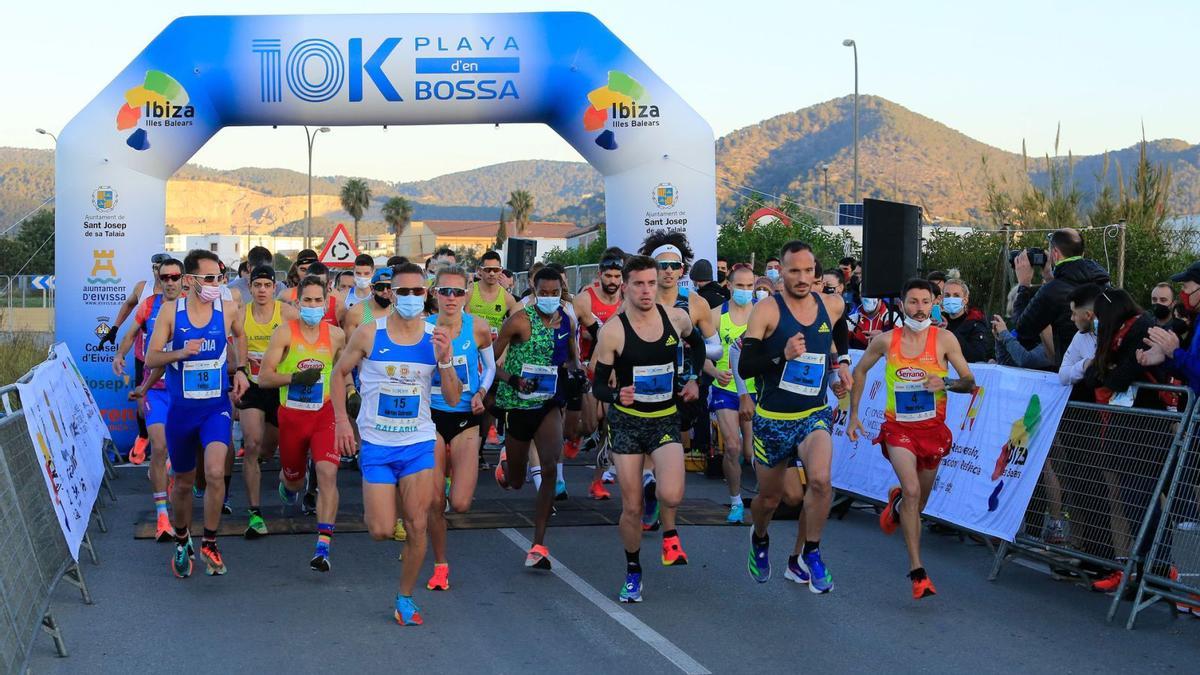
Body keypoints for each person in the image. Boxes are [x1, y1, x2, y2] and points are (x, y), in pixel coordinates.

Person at [332, 262, 460, 625]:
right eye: (402, 291)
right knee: (381, 530)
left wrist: (446, 361)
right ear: (390, 293)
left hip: (418, 442)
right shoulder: (370, 334)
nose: (409, 297)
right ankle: (385, 503)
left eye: (417, 291)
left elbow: (452, 398)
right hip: (376, 444)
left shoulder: (436, 337)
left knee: (418, 524)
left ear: (427, 294)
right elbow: (339, 375)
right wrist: (342, 420)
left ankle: (405, 597)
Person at [847, 278, 975, 600]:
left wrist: (944, 383)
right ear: (902, 304)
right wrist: (853, 414)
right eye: (913, 302)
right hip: (898, 429)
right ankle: (918, 572)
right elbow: (860, 371)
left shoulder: (945, 339)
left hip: (932, 431)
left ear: (934, 303)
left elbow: (969, 382)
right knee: (913, 488)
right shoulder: (886, 341)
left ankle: (899, 504)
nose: (919, 309)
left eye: (925, 302)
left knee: (919, 504)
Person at [590, 255, 705, 602]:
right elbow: (597, 386)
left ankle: (670, 534)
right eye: (639, 284)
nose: (646, 290)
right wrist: (615, 393)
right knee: (632, 507)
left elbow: (697, 345)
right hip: (627, 423)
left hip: (665, 417)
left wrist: (693, 379)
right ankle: (633, 571)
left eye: (651, 283)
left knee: (672, 493)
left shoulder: (676, 318)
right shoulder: (613, 330)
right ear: (625, 286)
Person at [738, 241, 851, 594]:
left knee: (820, 482)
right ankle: (759, 537)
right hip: (772, 418)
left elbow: (838, 333)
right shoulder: (766, 311)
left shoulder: (831, 304)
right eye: (793, 271)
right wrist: (782, 356)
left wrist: (841, 366)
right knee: (772, 499)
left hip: (813, 414)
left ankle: (811, 553)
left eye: (808, 270)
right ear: (780, 273)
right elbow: (746, 366)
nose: (802, 278)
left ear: (816, 271)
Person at [145, 249, 250, 578]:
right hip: (181, 412)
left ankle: (210, 540)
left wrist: (242, 370)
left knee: (216, 472)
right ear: (190, 281)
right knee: (184, 483)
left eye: (219, 278)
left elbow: (241, 335)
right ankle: (181, 539)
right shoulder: (170, 313)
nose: (216, 284)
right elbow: (151, 358)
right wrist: (181, 351)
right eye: (209, 279)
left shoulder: (228, 308)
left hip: (215, 408)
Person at [492, 267, 582, 568]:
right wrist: (512, 379)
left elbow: (571, 357)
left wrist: (576, 372)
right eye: (542, 293)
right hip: (518, 404)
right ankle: (506, 466)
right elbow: (489, 362)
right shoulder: (518, 321)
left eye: (554, 293)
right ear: (533, 290)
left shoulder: (566, 321)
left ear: (561, 291)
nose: (548, 298)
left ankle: (538, 545)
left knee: (549, 468)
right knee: (516, 482)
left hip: (549, 403)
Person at [256, 275, 347, 570]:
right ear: (298, 303)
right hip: (292, 416)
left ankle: (323, 546)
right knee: (293, 480)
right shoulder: (284, 333)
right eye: (307, 301)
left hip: (324, 414)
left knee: (327, 473)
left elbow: (341, 374)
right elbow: (264, 377)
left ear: (326, 303)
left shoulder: (336, 336)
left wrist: (352, 393)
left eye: (318, 301)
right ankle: (291, 481)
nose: (312, 305)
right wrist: (294, 377)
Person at [637, 232, 723, 531]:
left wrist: (693, 343)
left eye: (674, 265)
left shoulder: (696, 304)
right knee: (651, 441)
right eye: (663, 266)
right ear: (652, 268)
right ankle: (650, 490)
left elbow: (717, 348)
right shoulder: (640, 300)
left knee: (675, 442)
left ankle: (654, 488)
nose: (669, 271)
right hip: (648, 383)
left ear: (682, 270)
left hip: (685, 385)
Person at [424, 265, 495, 591]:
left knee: (461, 503)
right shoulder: (422, 330)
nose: (451, 298)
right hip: (432, 418)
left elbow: (491, 367)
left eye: (457, 292)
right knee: (436, 503)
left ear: (467, 294)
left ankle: (454, 472)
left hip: (466, 416)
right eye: (444, 291)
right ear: (434, 293)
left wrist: (481, 392)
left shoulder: (478, 327)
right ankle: (441, 565)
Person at [113, 257, 184, 542]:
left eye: (174, 277)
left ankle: (170, 473)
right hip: (155, 388)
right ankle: (162, 516)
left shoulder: (195, 306)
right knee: (160, 446)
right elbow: (131, 335)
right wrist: (119, 354)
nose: (169, 282)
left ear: (184, 279)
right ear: (158, 277)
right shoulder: (148, 304)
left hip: (184, 390)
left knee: (180, 452)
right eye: (164, 277)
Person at [235, 265, 296, 537]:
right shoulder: (241, 316)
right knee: (252, 444)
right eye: (257, 285)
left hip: (279, 387)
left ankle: (288, 479)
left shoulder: (286, 313)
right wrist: (238, 371)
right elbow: (232, 350)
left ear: (274, 288)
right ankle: (255, 513)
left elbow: (312, 334)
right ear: (250, 288)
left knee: (269, 449)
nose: (261, 290)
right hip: (252, 387)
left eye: (266, 285)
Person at [1012, 228, 1110, 364]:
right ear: (1082, 252)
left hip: (1071, 370)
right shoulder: (1102, 281)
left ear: (1055, 254)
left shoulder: (1052, 291)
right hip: (1102, 364)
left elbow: (1022, 330)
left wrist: (1023, 285)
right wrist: (1049, 276)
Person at [707, 264, 757, 523]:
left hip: (754, 389)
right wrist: (715, 373)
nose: (745, 291)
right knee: (732, 447)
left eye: (750, 286)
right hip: (725, 388)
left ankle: (765, 498)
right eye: (741, 286)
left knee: (750, 452)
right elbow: (699, 353)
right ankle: (736, 501)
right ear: (729, 285)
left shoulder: (762, 313)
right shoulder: (716, 315)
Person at [574, 254, 626, 500]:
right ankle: (574, 435)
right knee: (591, 423)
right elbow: (571, 330)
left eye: (617, 276)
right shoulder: (586, 299)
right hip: (589, 366)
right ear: (600, 275)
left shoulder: (627, 301)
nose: (613, 280)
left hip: (616, 370)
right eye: (609, 276)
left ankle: (597, 481)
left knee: (608, 426)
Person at [1142, 261, 1200, 393]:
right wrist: (1165, 358)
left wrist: (1176, 352)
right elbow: (1189, 373)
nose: (1183, 292)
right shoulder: (1197, 320)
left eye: (1185, 287)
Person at [942, 279, 993, 363]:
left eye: (956, 295)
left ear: (965, 300)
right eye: (947, 295)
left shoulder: (975, 323)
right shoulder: (938, 321)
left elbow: (977, 356)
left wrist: (949, 334)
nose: (951, 299)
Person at [338, 254, 376, 321]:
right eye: (358, 273)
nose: (362, 277)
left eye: (366, 273)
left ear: (373, 272)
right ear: (354, 272)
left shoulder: (378, 297)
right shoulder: (343, 296)